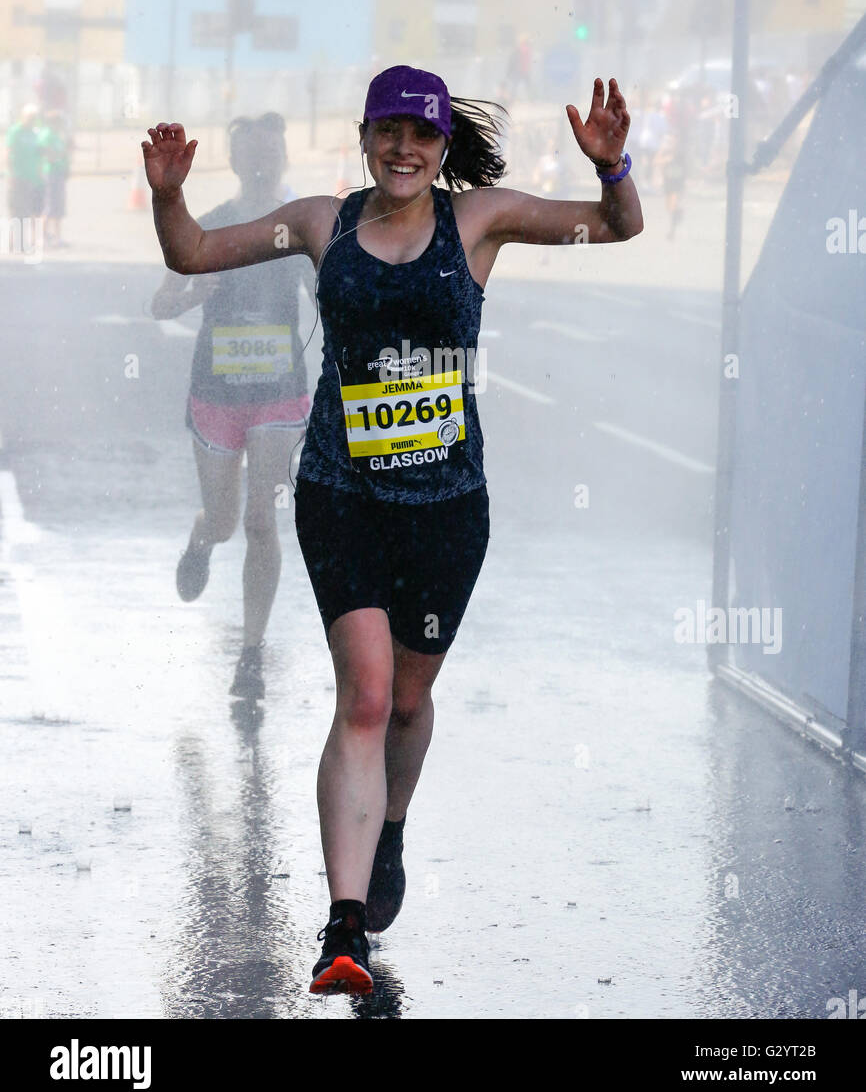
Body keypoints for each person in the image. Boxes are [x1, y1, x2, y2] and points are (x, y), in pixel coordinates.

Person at [142, 64, 643, 998]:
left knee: (407, 705)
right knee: (366, 697)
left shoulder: (481, 220)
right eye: (387, 133)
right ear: (365, 138)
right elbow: (193, 254)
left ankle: (393, 827)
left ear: (442, 145)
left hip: (448, 509)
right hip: (341, 495)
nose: (404, 149)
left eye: (421, 135)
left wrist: (613, 169)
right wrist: (167, 196)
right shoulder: (322, 223)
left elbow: (618, 226)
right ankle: (343, 927)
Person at [150, 112, 314, 699]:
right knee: (224, 522)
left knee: (261, 520)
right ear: (237, 161)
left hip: (278, 395)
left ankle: (251, 653)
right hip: (216, 393)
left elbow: (331, 298)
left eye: (273, 153)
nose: (264, 164)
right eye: (252, 155)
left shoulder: (300, 229)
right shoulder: (212, 225)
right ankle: (202, 536)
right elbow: (158, 306)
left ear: (285, 158)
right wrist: (196, 289)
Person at [38, 110, 72, 248]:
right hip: (50, 173)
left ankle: (57, 238)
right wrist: (60, 154)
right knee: (50, 206)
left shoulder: (57, 136)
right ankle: (42, 237)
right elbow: (47, 154)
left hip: (59, 173)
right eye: (58, 122)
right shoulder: (47, 135)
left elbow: (62, 154)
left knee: (58, 207)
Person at [5, 104, 45, 219]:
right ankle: (13, 237)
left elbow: (39, 153)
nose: (32, 119)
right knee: (16, 212)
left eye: (34, 117)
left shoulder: (35, 133)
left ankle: (24, 236)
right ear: (23, 116)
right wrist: (10, 173)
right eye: (30, 116)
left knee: (28, 211)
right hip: (18, 177)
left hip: (32, 178)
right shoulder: (16, 131)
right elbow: (8, 151)